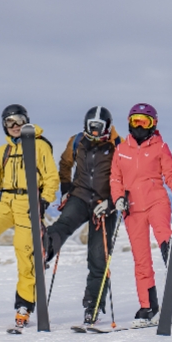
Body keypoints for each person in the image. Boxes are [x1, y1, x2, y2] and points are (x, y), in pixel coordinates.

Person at [0, 104, 59, 331]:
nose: (14, 126)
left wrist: (44, 200)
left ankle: (24, 306)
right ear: (4, 126)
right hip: (6, 201)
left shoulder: (40, 146)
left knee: (25, 253)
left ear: (26, 121)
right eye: (9, 122)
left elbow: (51, 177)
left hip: (28, 203)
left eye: (18, 120)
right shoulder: (2, 152)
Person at [45, 106, 121, 325]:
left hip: (104, 204)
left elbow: (126, 176)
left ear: (108, 126)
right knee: (64, 224)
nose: (95, 132)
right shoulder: (77, 141)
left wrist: (112, 202)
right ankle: (45, 249)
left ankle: (93, 306)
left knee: (98, 257)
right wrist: (66, 188)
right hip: (79, 196)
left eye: (99, 128)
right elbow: (65, 163)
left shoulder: (118, 145)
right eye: (91, 127)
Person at [110, 104, 172, 326]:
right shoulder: (121, 150)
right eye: (135, 121)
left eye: (145, 122)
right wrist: (118, 198)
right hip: (132, 209)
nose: (139, 126)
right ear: (129, 123)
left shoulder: (160, 147)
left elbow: (171, 176)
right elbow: (115, 179)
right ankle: (148, 306)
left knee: (161, 230)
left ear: (153, 124)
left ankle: (170, 249)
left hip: (156, 200)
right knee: (141, 261)